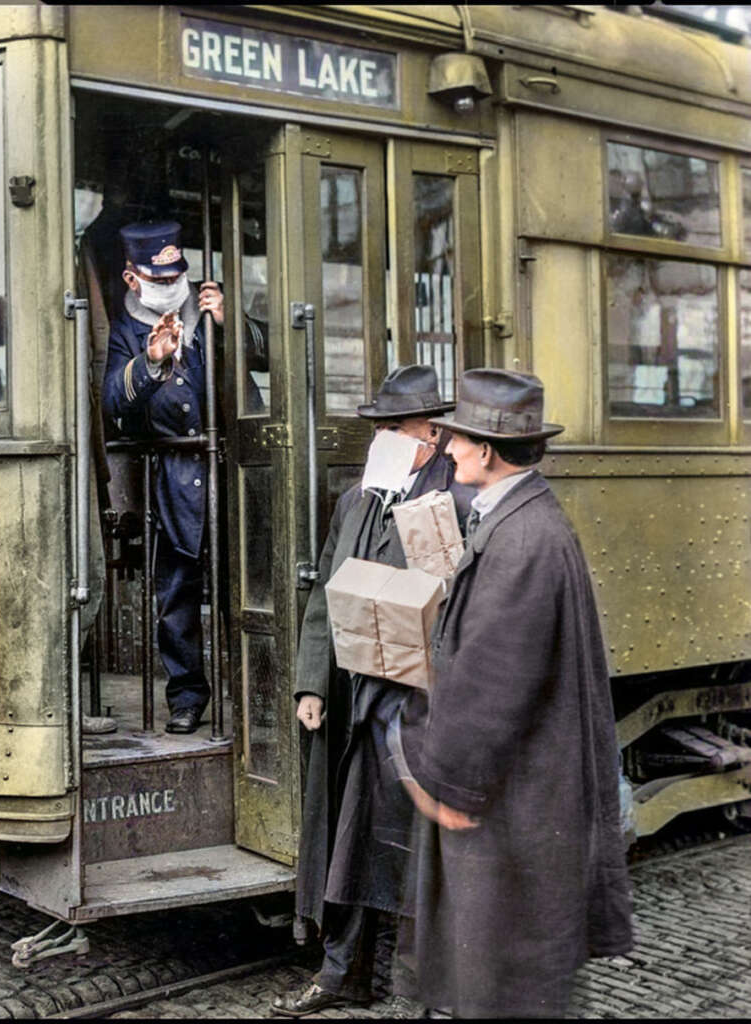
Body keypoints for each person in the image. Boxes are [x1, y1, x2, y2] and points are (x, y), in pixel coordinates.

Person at [396, 367, 633, 1018]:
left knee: (502, 983)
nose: (446, 450)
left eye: (457, 440)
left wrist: (441, 783)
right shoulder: (525, 521)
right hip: (519, 801)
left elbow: (490, 684)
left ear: (487, 452)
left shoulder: (521, 540)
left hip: (509, 810)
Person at [271, 365, 474, 1017]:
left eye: (395, 427)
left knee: (414, 847)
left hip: (418, 702)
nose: (381, 437)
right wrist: (311, 682)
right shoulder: (359, 497)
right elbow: (326, 595)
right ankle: (343, 973)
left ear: (432, 434)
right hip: (355, 700)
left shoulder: (455, 499)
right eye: (378, 426)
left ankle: (418, 984)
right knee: (348, 838)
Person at [101, 221, 231, 734]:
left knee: (241, 587)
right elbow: (113, 401)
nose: (172, 284)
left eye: (178, 274)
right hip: (173, 478)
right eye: (159, 278)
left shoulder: (206, 311)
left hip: (227, 472)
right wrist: (151, 361)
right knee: (176, 594)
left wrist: (226, 323)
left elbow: (263, 358)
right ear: (133, 280)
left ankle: (257, 688)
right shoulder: (127, 332)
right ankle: (187, 696)